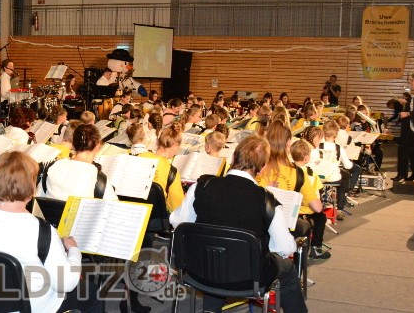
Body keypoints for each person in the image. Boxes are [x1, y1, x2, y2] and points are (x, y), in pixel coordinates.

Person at [170, 135, 308, 313]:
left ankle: (211, 309)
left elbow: (178, 222)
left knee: (215, 253)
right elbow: (285, 248)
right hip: (247, 278)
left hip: (199, 271)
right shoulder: (266, 200)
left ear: (233, 158)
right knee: (287, 268)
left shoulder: (201, 186)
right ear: (263, 168)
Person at [0, 151, 102, 313]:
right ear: (31, 188)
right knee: (92, 293)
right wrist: (74, 251)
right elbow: (67, 283)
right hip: (30, 307)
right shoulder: (42, 231)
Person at [257, 123, 329, 260]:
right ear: (288, 143)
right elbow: (317, 207)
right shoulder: (298, 173)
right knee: (304, 227)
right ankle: (297, 273)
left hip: (257, 225)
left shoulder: (256, 167)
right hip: (285, 227)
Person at [37, 124, 118, 201]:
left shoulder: (52, 167)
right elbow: (112, 208)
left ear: (73, 145)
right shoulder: (98, 178)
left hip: (50, 215)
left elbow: (38, 199)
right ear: (98, 146)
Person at [137, 124, 185, 212]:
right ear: (175, 146)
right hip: (155, 217)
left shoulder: (140, 156)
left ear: (157, 142)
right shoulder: (172, 172)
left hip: (133, 208)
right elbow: (177, 208)